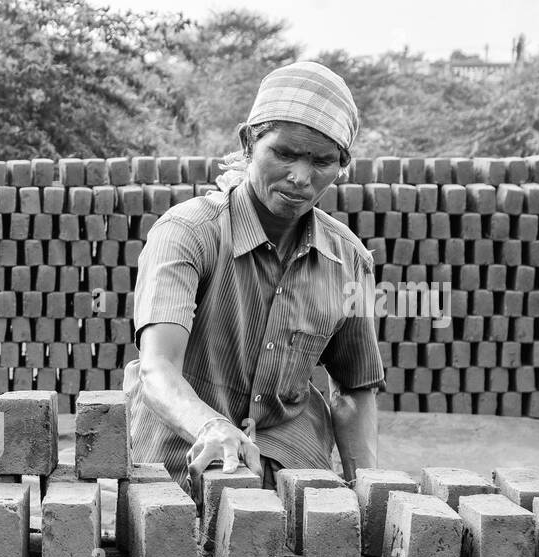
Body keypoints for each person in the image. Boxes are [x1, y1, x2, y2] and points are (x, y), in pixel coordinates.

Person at [124, 61, 385, 492]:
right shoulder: (188, 233)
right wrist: (210, 426)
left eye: (322, 161)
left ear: (342, 164)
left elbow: (355, 391)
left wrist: (370, 491)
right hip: (174, 468)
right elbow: (157, 368)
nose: (300, 177)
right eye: (284, 154)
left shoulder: (348, 260)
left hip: (290, 473)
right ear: (249, 142)